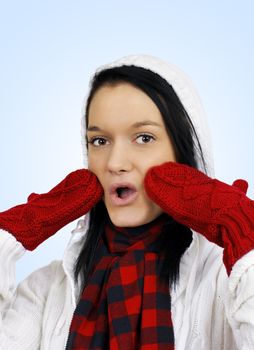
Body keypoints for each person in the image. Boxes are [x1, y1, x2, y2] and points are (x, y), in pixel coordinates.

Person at [0, 54, 254, 350]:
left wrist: (242, 228)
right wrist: (11, 232)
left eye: (144, 138)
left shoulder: (227, 281)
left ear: (185, 155)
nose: (115, 163)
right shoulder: (46, 290)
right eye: (100, 141)